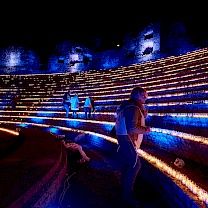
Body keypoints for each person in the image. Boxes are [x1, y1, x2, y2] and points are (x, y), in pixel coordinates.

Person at [115, 86, 151, 207]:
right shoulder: (133, 107)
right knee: (136, 164)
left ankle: (122, 191)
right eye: (144, 95)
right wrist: (146, 130)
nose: (146, 98)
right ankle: (128, 195)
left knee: (128, 164)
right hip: (128, 138)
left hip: (124, 138)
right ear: (137, 95)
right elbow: (132, 127)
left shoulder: (127, 106)